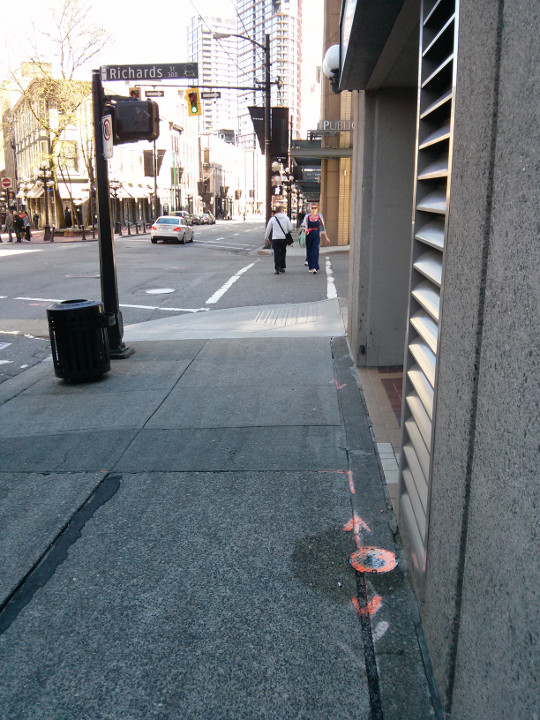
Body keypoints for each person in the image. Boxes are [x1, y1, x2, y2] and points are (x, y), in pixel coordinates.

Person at [301, 203, 331, 274]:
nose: (314, 209)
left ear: (317, 209)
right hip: (309, 235)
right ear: (310, 209)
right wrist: (305, 229)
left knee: (315, 250)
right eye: (312, 208)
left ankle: (314, 267)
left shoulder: (319, 217)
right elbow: (303, 225)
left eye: (315, 208)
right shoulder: (307, 217)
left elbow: (322, 228)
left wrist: (326, 237)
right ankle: (311, 267)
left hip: (316, 235)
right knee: (309, 250)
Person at [264, 204, 292, 275]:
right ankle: (282, 267)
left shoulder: (272, 219)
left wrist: (266, 238)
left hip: (275, 238)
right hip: (283, 238)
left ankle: (277, 268)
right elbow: (290, 228)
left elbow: (268, 229)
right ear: (282, 211)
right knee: (283, 252)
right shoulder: (286, 218)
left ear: (276, 211)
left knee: (276, 253)